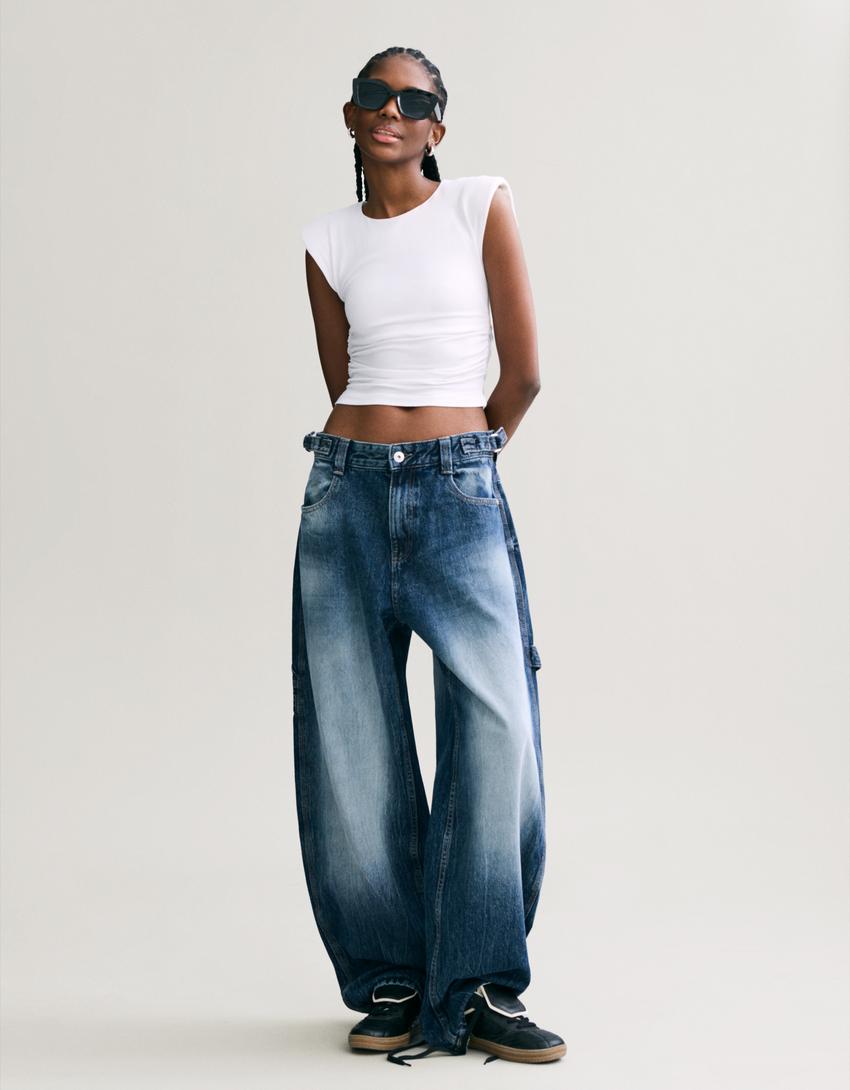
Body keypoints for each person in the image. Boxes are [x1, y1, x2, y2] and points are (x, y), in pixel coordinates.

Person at [292, 45, 565, 1066]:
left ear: (438, 126)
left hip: (459, 483)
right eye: (375, 96)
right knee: (351, 739)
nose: (392, 111)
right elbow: (344, 380)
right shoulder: (325, 240)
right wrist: (386, 453)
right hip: (345, 493)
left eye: (414, 101)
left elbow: (523, 374)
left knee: (498, 728)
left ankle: (482, 984)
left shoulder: (478, 204)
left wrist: (463, 461)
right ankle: (393, 981)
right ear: (351, 115)